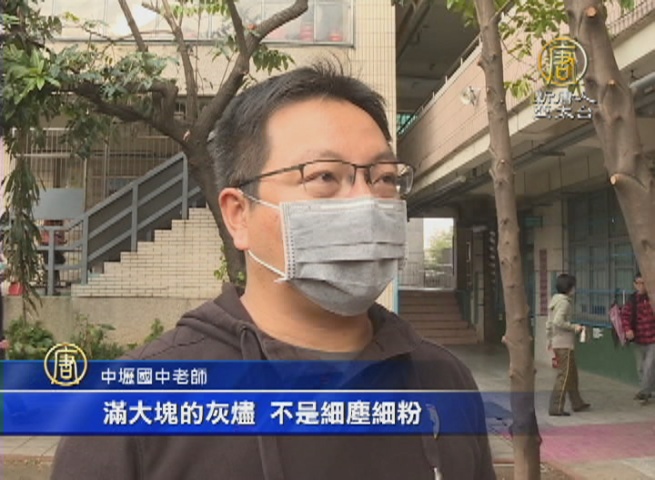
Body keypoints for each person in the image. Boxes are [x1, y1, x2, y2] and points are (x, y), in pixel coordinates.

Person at [51, 63, 495, 480]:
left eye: (384, 178)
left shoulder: (444, 380)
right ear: (238, 214)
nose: (367, 200)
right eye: (324, 177)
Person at [547, 273, 590, 416]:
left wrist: (549, 339)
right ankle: (556, 407)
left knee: (572, 374)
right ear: (569, 288)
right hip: (563, 343)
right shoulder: (564, 303)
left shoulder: (555, 301)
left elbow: (549, 323)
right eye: (573, 287)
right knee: (564, 376)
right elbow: (558, 321)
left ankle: (577, 402)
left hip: (559, 342)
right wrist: (574, 327)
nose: (575, 289)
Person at [621, 272, 655, 404]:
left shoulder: (652, 298)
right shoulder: (632, 300)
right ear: (634, 285)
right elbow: (625, 316)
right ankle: (647, 390)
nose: (641, 286)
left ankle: (645, 392)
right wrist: (627, 329)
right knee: (641, 367)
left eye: (643, 283)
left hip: (652, 339)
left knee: (649, 366)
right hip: (639, 339)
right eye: (638, 283)